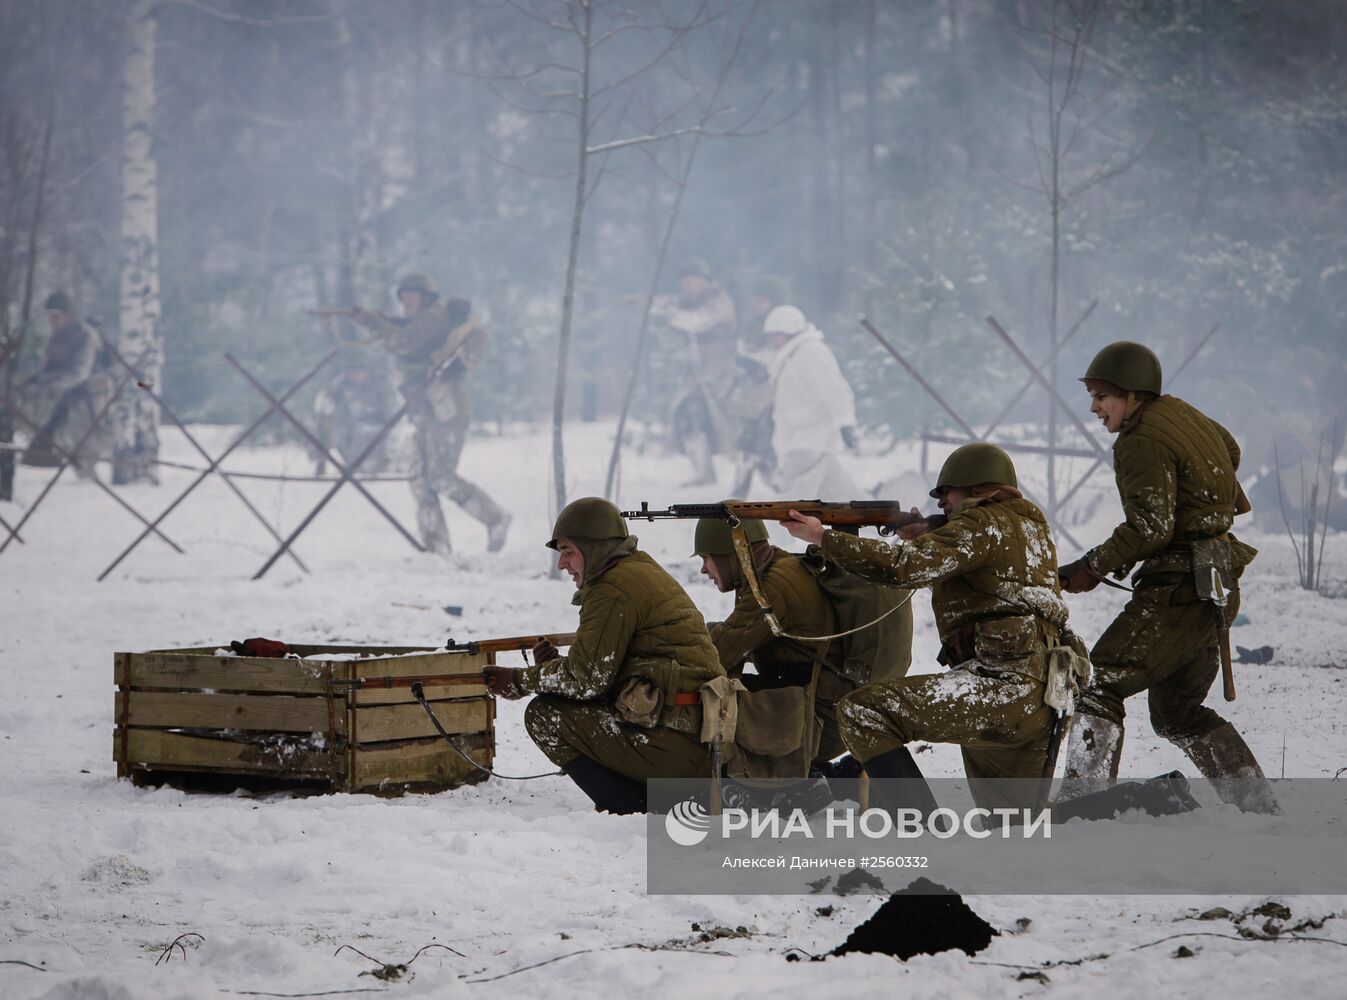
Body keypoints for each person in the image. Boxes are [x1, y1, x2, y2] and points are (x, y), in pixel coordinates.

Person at [781, 443, 1071, 813]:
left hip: (1002, 687)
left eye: (946, 493)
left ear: (978, 489)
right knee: (1021, 827)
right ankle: (1148, 799)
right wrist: (929, 535)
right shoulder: (1028, 528)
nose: (941, 502)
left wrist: (823, 538)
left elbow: (904, 567)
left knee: (864, 712)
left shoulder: (983, 523)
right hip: (1043, 694)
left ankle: (925, 834)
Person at [1057, 341, 1277, 813]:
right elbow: (1229, 448)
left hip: (1178, 588)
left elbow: (1150, 528)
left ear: (1133, 394)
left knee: (1100, 685)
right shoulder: (1180, 413)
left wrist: (1091, 566)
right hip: (1215, 581)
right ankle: (1258, 807)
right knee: (1178, 713)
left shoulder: (1139, 441)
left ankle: (1082, 808)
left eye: (1102, 396)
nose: (1094, 407)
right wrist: (1204, 501)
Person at [483, 497, 724, 814]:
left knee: (544, 716)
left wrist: (519, 681)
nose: (562, 564)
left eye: (568, 551)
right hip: (697, 739)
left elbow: (587, 680)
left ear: (592, 547)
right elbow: (604, 673)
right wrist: (555, 671)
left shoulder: (612, 589)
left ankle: (632, 804)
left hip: (677, 744)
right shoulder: (636, 570)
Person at [694, 512, 911, 772]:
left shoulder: (772, 587)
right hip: (830, 710)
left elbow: (717, 656)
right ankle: (831, 777)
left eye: (706, 558)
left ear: (729, 553)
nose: (704, 569)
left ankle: (802, 784)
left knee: (707, 705)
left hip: (819, 722)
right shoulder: (781, 568)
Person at [349, 272, 510, 555]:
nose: (407, 301)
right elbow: (405, 341)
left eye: (413, 295)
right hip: (425, 410)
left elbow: (405, 342)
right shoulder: (419, 322)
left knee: (441, 476)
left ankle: (495, 518)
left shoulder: (433, 318)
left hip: (446, 409)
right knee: (420, 481)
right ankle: (436, 549)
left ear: (427, 298)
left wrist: (374, 322)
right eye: (403, 296)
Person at [650, 257, 738, 485]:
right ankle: (703, 472)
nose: (688, 287)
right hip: (700, 373)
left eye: (693, 281)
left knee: (741, 425)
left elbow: (695, 322)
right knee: (690, 415)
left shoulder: (719, 302)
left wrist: (667, 314)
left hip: (725, 373)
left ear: (705, 282)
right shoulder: (686, 302)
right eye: (685, 282)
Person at [761, 304, 860, 499]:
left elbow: (833, 389)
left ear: (789, 331)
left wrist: (845, 422)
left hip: (808, 440)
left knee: (791, 505)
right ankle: (894, 518)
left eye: (776, 334)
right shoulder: (793, 354)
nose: (772, 340)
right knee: (844, 497)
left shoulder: (811, 352)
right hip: (804, 440)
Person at [17, 291, 115, 474]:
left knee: (86, 442)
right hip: (70, 394)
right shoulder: (58, 336)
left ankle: (89, 484)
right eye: (50, 317)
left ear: (68, 315)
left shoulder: (85, 335)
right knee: (57, 436)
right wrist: (37, 381)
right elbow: (51, 368)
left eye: (56, 316)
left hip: (91, 394)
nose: (52, 321)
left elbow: (80, 373)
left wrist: (47, 386)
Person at [725, 274, 789, 495]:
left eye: (763, 300)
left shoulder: (784, 326)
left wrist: (760, 366)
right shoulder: (752, 324)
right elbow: (743, 348)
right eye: (756, 299)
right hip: (753, 397)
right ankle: (738, 495)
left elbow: (780, 357)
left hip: (776, 397)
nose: (757, 304)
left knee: (765, 448)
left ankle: (782, 488)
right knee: (748, 445)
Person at [311, 346, 400, 476]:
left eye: (359, 371)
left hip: (376, 425)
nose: (355, 375)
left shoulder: (381, 384)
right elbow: (326, 403)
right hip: (348, 426)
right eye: (352, 371)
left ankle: (372, 466)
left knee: (366, 436)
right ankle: (322, 461)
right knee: (323, 427)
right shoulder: (340, 384)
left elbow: (392, 412)